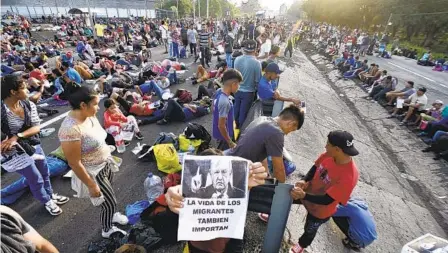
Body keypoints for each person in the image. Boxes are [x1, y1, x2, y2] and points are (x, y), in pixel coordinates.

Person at [165, 148, 268, 253]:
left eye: (223, 172)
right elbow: (177, 200)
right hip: (198, 248)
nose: (219, 177)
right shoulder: (194, 193)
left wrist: (251, 179)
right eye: (216, 172)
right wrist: (172, 196)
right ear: (210, 174)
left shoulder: (239, 190)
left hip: (230, 243)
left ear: (229, 174)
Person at [58, 86, 128, 238]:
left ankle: (112, 214)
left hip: (105, 164)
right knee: (108, 202)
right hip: (93, 172)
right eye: (95, 104)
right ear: (83, 105)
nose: (98, 108)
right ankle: (107, 229)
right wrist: (91, 185)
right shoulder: (70, 129)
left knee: (110, 198)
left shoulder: (89, 116)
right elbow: (74, 163)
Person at [1, 75, 69, 216]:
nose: (28, 90)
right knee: (35, 178)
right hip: (14, 152)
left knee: (44, 172)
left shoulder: (27, 104)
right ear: (13, 92)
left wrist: (17, 137)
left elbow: (36, 127)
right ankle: (46, 201)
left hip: (32, 144)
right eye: (24, 87)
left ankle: (50, 195)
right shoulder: (2, 110)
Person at [289, 130, 359, 253]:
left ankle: (301, 245)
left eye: (328, 144)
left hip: (321, 209)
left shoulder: (349, 176)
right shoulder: (329, 155)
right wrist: (305, 180)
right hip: (309, 190)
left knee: (310, 229)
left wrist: (304, 195)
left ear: (337, 149)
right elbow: (315, 167)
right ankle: (273, 216)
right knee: (285, 197)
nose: (325, 146)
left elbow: (327, 200)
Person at [229, 105, 305, 183]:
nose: (288, 133)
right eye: (292, 130)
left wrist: (267, 174)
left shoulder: (262, 119)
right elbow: (278, 170)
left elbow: (262, 155)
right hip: (235, 171)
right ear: (290, 123)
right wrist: (281, 188)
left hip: (230, 158)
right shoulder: (276, 133)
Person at [212, 69, 243, 150]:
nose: (238, 88)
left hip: (221, 134)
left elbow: (213, 108)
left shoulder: (219, 91)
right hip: (224, 137)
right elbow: (221, 125)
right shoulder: (225, 102)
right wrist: (230, 142)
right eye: (238, 85)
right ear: (233, 84)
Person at [234, 40, 262, 128]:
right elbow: (258, 80)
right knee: (244, 113)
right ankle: (241, 131)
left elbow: (235, 75)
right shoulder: (257, 63)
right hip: (249, 92)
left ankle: (232, 129)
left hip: (237, 89)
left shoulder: (237, 59)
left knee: (236, 109)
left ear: (244, 49)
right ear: (256, 49)